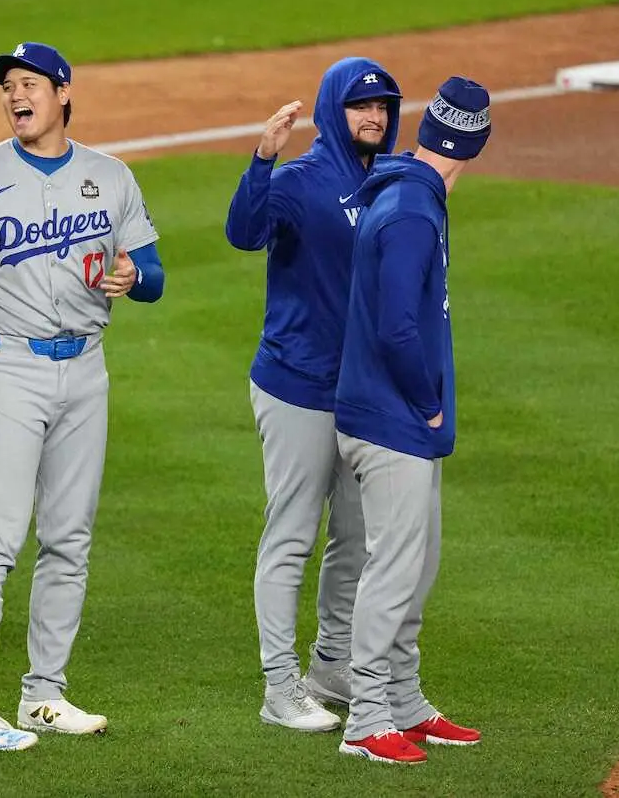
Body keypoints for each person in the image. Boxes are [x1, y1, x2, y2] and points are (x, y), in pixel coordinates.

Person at [0, 41, 166, 751]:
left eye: (28, 84)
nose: (15, 96)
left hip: (85, 369)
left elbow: (153, 272)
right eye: (7, 87)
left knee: (70, 539)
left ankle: (42, 695)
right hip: (3, 370)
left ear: (63, 94)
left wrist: (131, 278)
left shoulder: (110, 177)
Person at [224, 57, 402, 732]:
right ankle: (278, 686)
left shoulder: (390, 182)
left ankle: (332, 664)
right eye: (363, 105)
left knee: (355, 538)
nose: (375, 117)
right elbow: (243, 232)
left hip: (360, 393)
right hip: (297, 386)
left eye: (384, 105)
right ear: (335, 108)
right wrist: (263, 159)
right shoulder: (300, 181)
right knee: (292, 536)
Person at [334, 77, 491, 765]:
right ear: (473, 146)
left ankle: (404, 701)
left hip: (395, 418)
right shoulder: (410, 213)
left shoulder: (407, 195)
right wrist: (427, 398)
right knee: (393, 570)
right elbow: (398, 326)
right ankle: (367, 718)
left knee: (414, 568)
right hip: (391, 419)